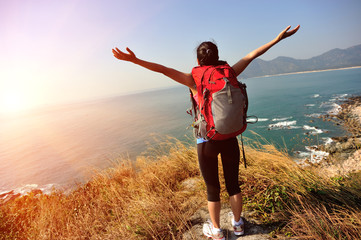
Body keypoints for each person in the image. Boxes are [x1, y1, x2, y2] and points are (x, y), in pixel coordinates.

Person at [112, 25, 300, 239]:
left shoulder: (193, 79)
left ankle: (217, 231)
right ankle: (238, 224)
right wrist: (277, 39)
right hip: (229, 137)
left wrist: (134, 60)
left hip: (206, 141)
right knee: (233, 184)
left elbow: (163, 69)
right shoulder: (229, 72)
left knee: (213, 188)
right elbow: (252, 55)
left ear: (198, 60)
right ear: (218, 56)